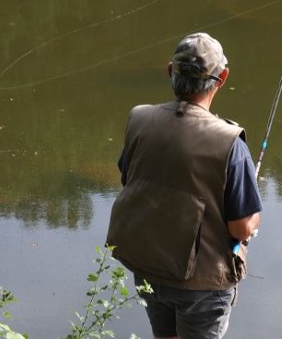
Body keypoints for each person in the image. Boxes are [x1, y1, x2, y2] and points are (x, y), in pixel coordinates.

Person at [106, 32, 262, 339]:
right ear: (223, 78)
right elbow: (241, 228)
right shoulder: (229, 142)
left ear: (170, 72)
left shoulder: (139, 119)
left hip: (148, 267)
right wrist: (254, 216)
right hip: (202, 285)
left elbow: (130, 177)